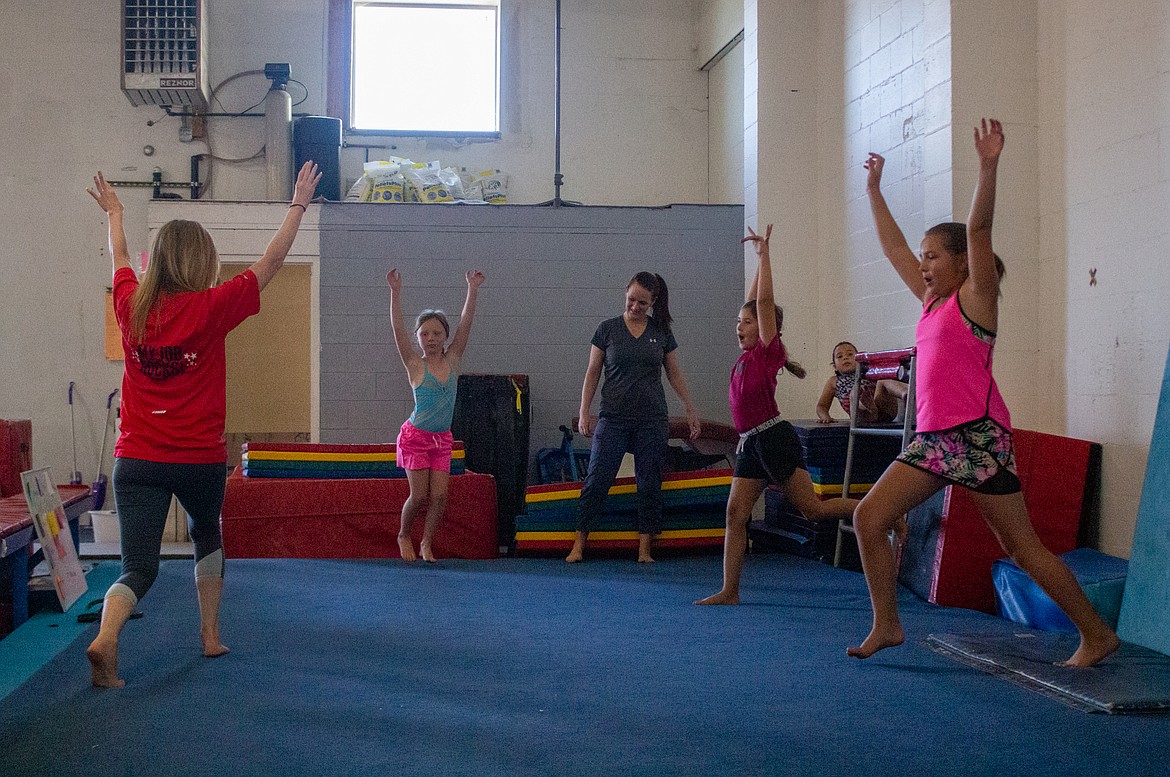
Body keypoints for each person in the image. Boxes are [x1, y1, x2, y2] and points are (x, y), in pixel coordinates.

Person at [849, 118, 1119, 667]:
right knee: (869, 518)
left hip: (976, 437)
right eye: (923, 256)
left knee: (1022, 548)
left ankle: (1095, 633)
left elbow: (979, 231)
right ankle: (887, 624)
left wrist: (988, 166)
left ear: (961, 265)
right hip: (936, 439)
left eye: (933, 256)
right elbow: (893, 245)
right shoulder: (930, 303)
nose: (922, 264)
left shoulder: (977, 301)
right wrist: (875, 191)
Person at [85, 161, 322, 688]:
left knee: (138, 569)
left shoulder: (130, 306)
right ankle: (210, 635)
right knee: (207, 535)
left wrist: (117, 212)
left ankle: (106, 638)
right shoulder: (212, 307)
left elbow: (119, 255)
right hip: (197, 458)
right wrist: (298, 204)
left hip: (137, 458)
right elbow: (271, 261)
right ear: (201, 263)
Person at [695, 225, 859, 605]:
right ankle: (729, 590)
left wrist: (766, 256)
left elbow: (764, 304)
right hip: (752, 443)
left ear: (770, 330)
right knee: (736, 514)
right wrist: (755, 267)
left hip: (773, 438)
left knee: (813, 510)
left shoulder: (769, 353)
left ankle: (876, 512)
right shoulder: (745, 358)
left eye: (747, 323)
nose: (740, 326)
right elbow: (754, 303)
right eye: (738, 321)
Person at [568, 272, 700, 564]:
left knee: (649, 481)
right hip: (613, 417)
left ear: (652, 302)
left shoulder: (661, 331)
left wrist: (689, 407)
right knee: (597, 478)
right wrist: (583, 411)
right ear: (625, 293)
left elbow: (674, 372)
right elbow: (592, 372)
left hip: (651, 419)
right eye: (631, 299)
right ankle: (578, 544)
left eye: (642, 302)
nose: (635, 306)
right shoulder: (607, 329)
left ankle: (644, 549)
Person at [386, 268, 484, 563]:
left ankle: (427, 542)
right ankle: (404, 533)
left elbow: (466, 323)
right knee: (419, 497)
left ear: (445, 337)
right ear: (418, 338)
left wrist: (473, 289)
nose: (431, 338)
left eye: (437, 333)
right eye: (425, 334)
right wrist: (395, 293)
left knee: (440, 496)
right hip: (415, 438)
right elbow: (398, 330)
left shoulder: (453, 360)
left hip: (442, 439)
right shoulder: (415, 365)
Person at [815, 341, 905, 424]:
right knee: (855, 391)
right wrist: (825, 417)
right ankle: (866, 404)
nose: (845, 357)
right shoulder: (833, 381)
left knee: (884, 380)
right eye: (839, 356)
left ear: (859, 359)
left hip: (884, 411)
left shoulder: (869, 372)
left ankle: (907, 393)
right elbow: (821, 406)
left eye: (850, 354)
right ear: (834, 366)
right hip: (863, 416)